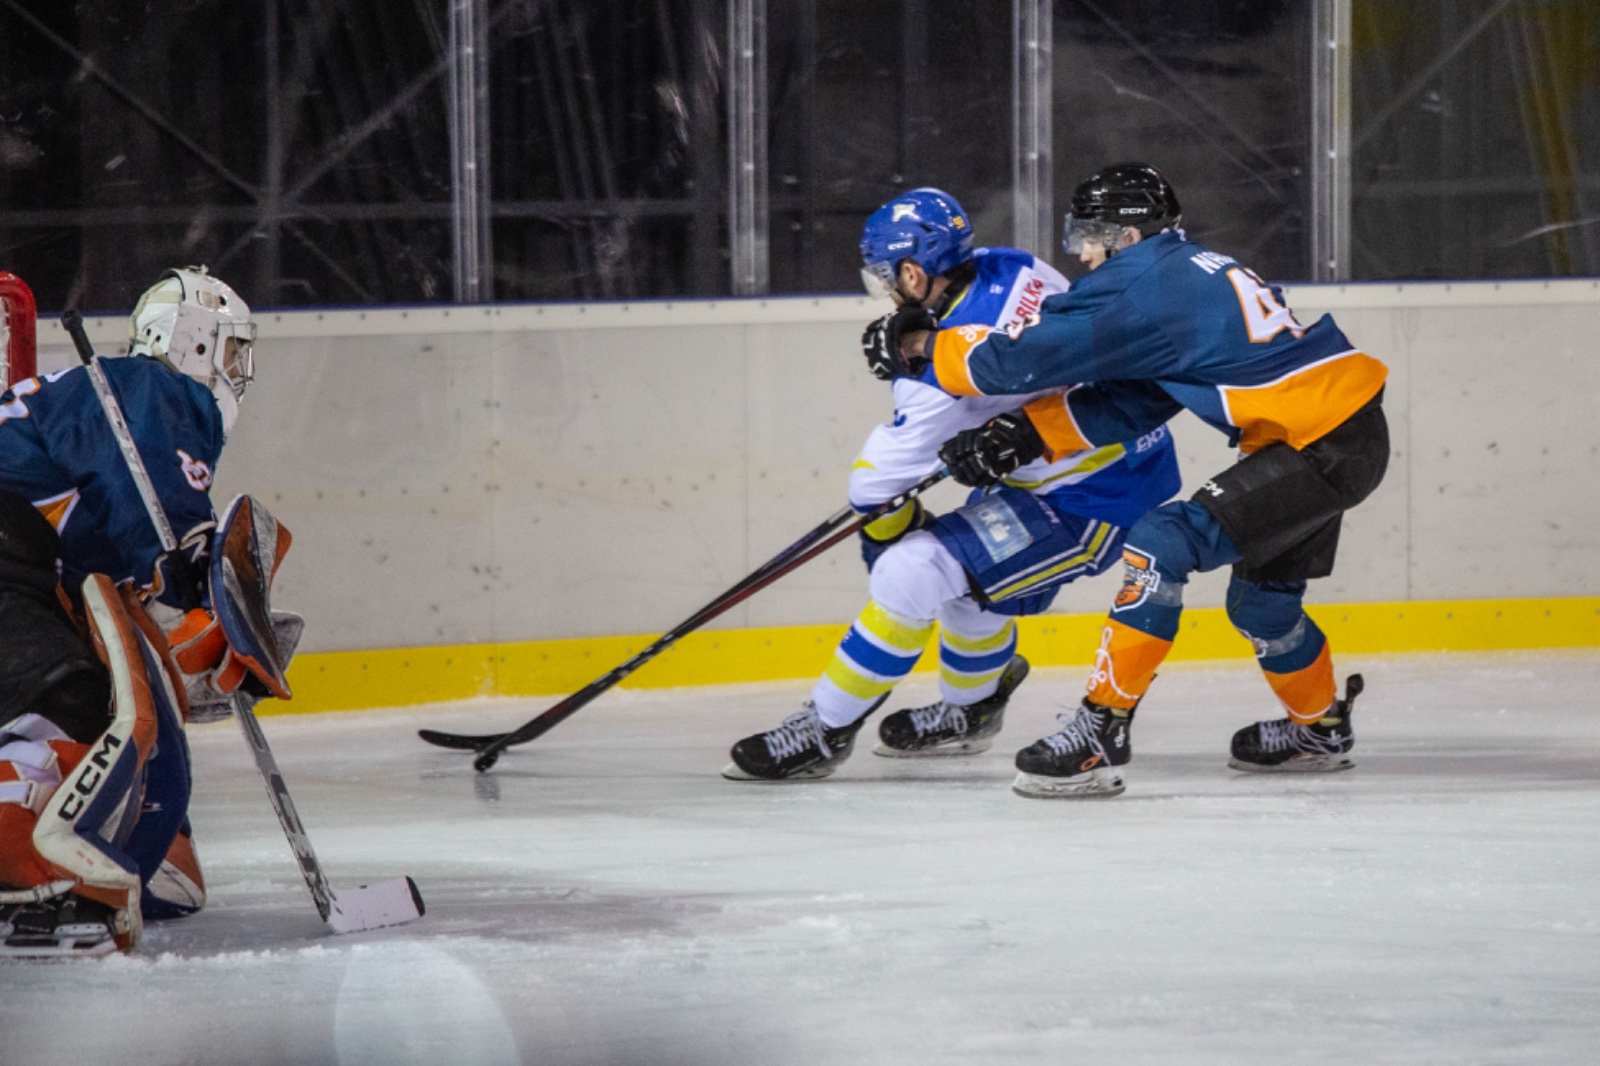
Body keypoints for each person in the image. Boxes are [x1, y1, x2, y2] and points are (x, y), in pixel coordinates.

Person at [877, 163, 1387, 798]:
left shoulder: (1144, 282)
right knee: (1263, 604)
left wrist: (925, 347)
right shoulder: (1184, 270)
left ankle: (1100, 731)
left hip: (1319, 446)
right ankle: (1321, 729)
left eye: (1090, 233)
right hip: (1333, 436)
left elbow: (1022, 358)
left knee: (1159, 543)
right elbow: (1143, 398)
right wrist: (1031, 436)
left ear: (1128, 233)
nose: (1082, 251)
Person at [723, 188, 1181, 781]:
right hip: (1107, 464)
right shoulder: (1014, 265)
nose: (887, 290)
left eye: (889, 276)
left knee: (907, 571)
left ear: (914, 273)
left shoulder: (939, 384)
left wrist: (890, 531)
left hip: (1089, 497)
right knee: (969, 583)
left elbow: (878, 488)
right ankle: (973, 710)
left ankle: (825, 728)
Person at [0, 266, 257, 955]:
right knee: (62, 701)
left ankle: (98, 829)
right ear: (196, 341)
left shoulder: (99, 412)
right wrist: (195, 568)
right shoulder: (155, 390)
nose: (238, 373)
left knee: (87, 681)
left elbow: (127, 588)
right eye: (233, 351)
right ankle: (28, 866)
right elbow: (167, 539)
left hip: (18, 560)